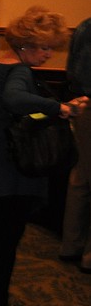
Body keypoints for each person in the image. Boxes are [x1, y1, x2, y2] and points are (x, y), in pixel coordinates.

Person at [0, 7, 87, 306]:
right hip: (9, 165)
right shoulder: (20, 72)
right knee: (7, 238)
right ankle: (0, 305)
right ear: (25, 44)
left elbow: (20, 112)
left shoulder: (1, 65)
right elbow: (16, 101)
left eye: (50, 48)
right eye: (43, 48)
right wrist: (60, 107)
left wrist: (57, 110)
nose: (47, 54)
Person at [61, 16, 91, 274]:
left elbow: (74, 72)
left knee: (80, 176)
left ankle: (71, 244)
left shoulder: (84, 26)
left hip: (81, 104)